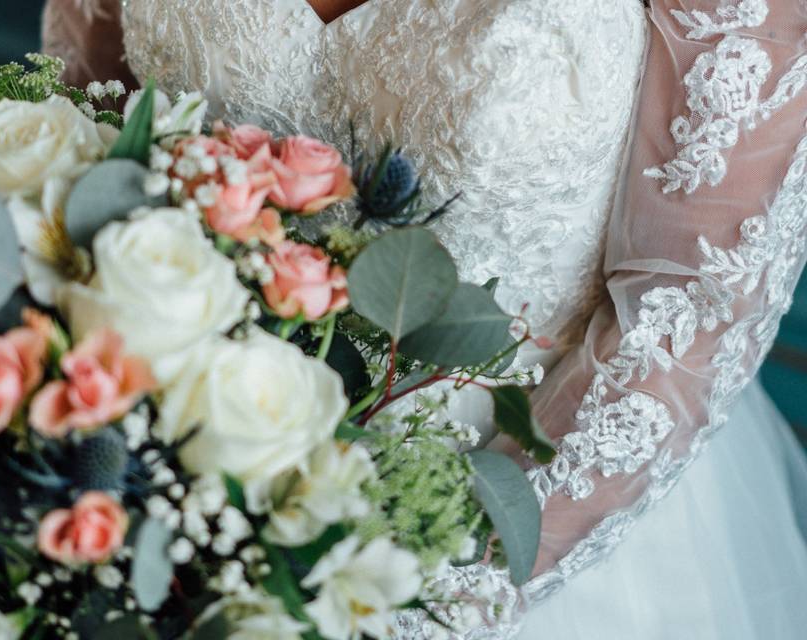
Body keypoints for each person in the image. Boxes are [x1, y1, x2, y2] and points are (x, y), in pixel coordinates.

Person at [43, 1, 807, 637]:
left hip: (520, 514)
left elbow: (687, 317)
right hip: (150, 473)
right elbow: (90, 130)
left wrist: (418, 601)